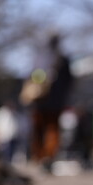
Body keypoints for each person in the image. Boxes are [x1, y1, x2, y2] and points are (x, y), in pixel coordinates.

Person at [23, 34, 74, 172]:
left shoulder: (38, 59)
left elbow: (29, 78)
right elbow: (69, 81)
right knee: (52, 130)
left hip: (38, 101)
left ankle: (40, 157)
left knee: (38, 131)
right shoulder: (62, 59)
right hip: (55, 103)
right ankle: (48, 157)